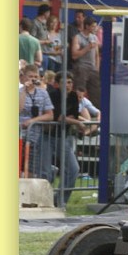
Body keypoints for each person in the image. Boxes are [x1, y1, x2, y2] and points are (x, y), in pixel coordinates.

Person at [47, 72, 86, 206]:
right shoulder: (54, 95)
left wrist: (69, 119)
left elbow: (73, 115)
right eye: (64, 82)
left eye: (70, 82)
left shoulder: (74, 96)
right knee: (46, 172)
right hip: (49, 136)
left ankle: (60, 200)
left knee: (73, 169)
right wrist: (76, 122)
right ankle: (47, 199)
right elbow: (58, 117)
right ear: (57, 84)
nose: (68, 85)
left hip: (64, 136)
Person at [19, 64, 54, 180]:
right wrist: (24, 91)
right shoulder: (18, 91)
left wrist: (33, 120)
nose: (33, 79)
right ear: (24, 77)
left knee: (31, 170)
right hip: (19, 136)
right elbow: (18, 109)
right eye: (30, 76)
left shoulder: (43, 93)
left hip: (35, 138)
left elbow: (50, 115)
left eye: (35, 76)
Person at [71, 15, 101, 107]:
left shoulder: (94, 37)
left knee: (96, 93)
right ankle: (78, 109)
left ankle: (95, 111)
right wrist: (87, 48)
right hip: (82, 67)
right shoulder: (78, 37)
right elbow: (74, 55)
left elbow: (97, 55)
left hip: (93, 68)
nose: (95, 28)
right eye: (93, 26)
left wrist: (97, 68)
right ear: (87, 26)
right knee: (80, 91)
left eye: (95, 26)